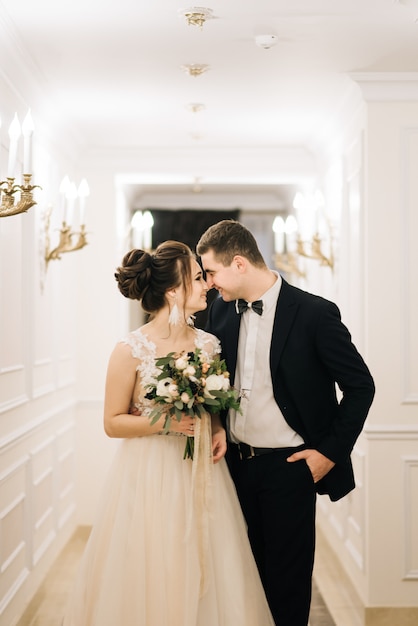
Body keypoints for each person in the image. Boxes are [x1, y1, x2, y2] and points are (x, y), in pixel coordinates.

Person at [62, 240, 274, 626]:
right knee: (154, 560)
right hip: (148, 475)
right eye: (197, 278)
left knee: (210, 554)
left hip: (203, 473)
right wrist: (166, 423)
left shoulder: (209, 344)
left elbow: (213, 405)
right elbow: (112, 422)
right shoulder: (130, 349)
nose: (207, 284)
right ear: (173, 290)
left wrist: (218, 427)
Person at [196, 220, 375, 626]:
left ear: (239, 263)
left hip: (291, 469)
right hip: (232, 466)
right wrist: (219, 426)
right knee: (238, 576)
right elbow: (209, 381)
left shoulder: (314, 313)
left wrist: (329, 452)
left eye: (211, 272)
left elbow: (361, 387)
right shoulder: (217, 312)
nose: (208, 283)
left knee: (287, 584)